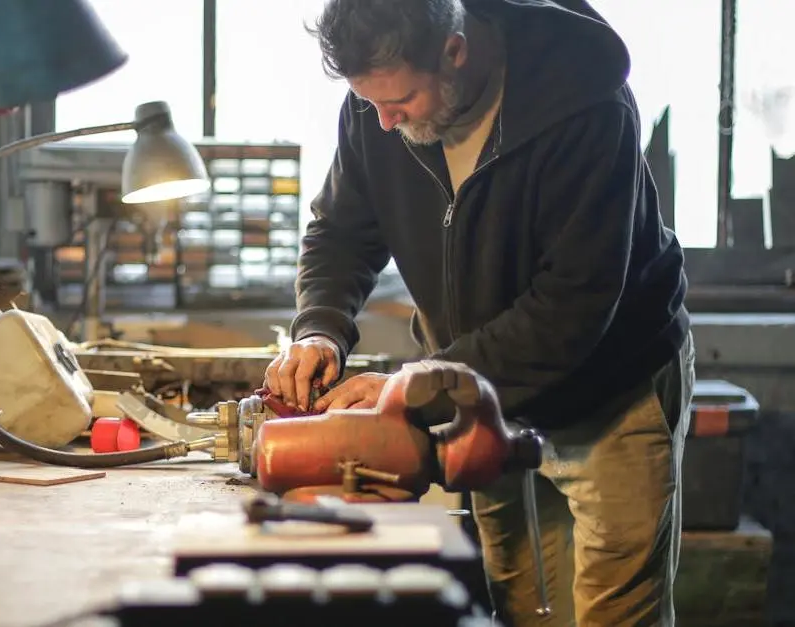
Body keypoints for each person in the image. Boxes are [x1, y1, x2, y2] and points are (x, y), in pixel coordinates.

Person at [262, 0, 695, 625]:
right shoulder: (376, 108)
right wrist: (321, 327)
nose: (382, 122)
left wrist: (418, 385)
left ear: (455, 51)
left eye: (400, 100)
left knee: (614, 613)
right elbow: (340, 233)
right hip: (481, 393)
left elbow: (571, 307)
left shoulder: (585, 105)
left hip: (612, 389)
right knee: (523, 608)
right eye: (369, 103)